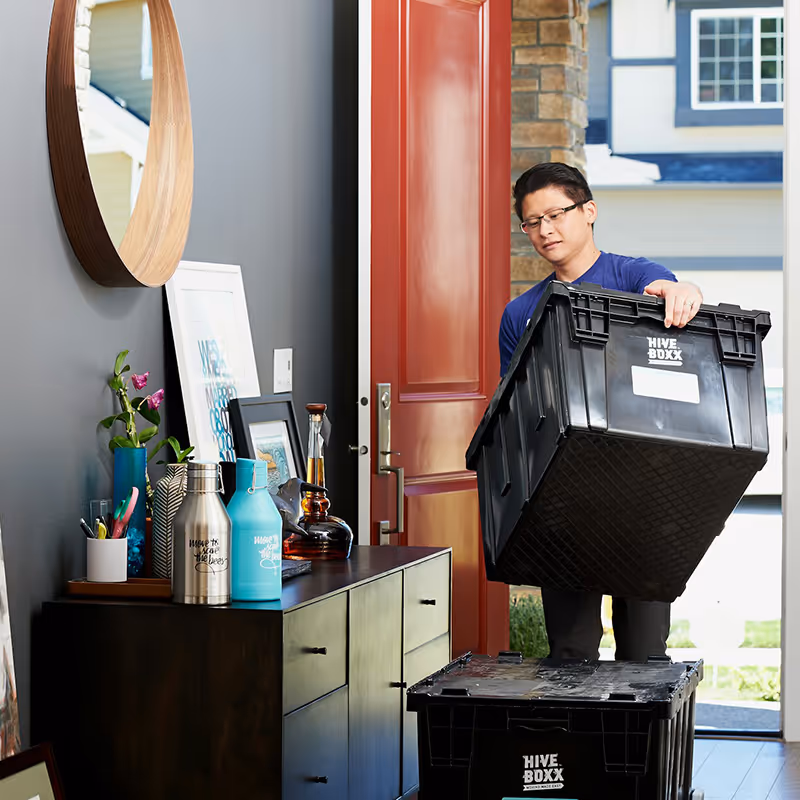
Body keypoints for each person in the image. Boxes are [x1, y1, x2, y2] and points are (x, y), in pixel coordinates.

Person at [501, 162, 703, 662]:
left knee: (645, 653)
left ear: (588, 211)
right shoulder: (520, 312)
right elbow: (515, 410)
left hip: (647, 496)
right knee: (569, 652)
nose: (545, 230)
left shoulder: (632, 276)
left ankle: (642, 744)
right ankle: (582, 744)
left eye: (556, 214)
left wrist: (682, 292)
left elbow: (668, 288)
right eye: (532, 222)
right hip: (564, 502)